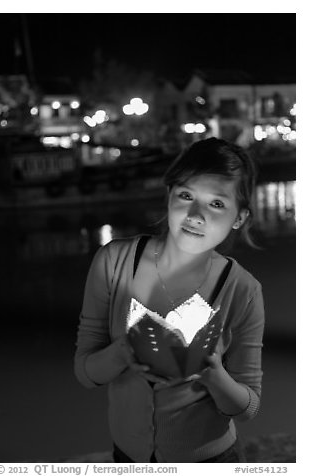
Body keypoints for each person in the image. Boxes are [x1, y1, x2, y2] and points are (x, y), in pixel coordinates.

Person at [74, 137, 265, 463]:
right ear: (168, 196)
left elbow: (248, 406)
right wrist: (122, 353)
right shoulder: (114, 262)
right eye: (186, 195)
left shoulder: (242, 289)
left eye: (216, 204)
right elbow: (85, 372)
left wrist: (213, 374)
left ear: (239, 218)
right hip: (128, 459)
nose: (195, 214)